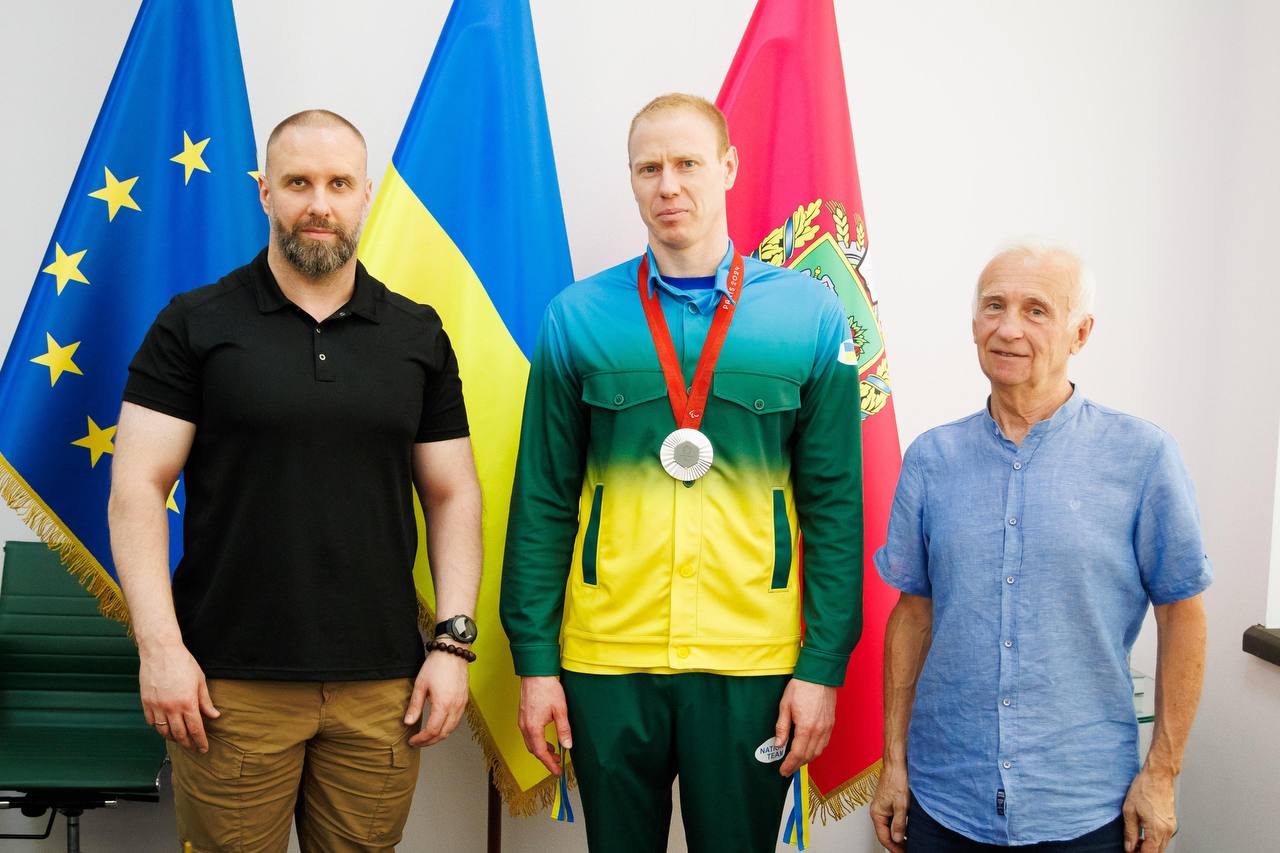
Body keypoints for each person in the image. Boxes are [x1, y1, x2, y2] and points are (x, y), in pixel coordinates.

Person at [108, 109, 482, 853]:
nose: (319, 202)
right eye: (298, 182)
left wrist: (453, 643)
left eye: (339, 183)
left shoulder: (417, 333)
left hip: (382, 687)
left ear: (365, 194)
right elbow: (136, 489)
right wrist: (161, 648)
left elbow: (453, 492)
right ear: (265, 192)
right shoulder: (194, 324)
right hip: (229, 688)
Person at [499, 93, 864, 853]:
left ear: (727, 167)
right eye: (649, 168)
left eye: (688, 163)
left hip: (751, 663)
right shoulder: (577, 318)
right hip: (606, 659)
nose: (669, 185)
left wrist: (822, 664)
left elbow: (834, 506)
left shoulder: (810, 317)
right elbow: (541, 501)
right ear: (631, 180)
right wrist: (534, 663)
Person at [869, 242, 1210, 853]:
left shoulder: (1142, 457)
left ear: (1081, 332)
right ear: (973, 324)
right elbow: (912, 613)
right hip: (944, 799)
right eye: (993, 306)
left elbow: (1182, 612)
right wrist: (893, 763)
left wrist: (1162, 772)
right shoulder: (931, 459)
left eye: (1036, 310)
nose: (1008, 329)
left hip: (1085, 806)